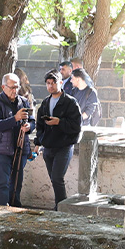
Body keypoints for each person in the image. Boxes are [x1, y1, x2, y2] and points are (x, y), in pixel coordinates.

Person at [36, 71, 83, 210]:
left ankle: (60, 209)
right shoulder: (45, 103)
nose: (51, 86)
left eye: (53, 83)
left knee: (57, 178)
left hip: (64, 146)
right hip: (48, 146)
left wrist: (59, 122)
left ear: (61, 83)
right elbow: (40, 126)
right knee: (54, 179)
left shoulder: (70, 102)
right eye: (48, 83)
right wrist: (38, 143)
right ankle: (60, 206)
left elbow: (76, 126)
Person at [0, 73, 34, 207]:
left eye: (17, 87)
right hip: (3, 149)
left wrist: (29, 127)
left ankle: (15, 209)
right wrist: (15, 118)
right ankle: (0, 211)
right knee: (2, 183)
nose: (15, 90)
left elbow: (32, 121)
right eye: (12, 87)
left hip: (20, 148)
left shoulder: (23, 101)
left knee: (16, 183)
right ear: (4, 87)